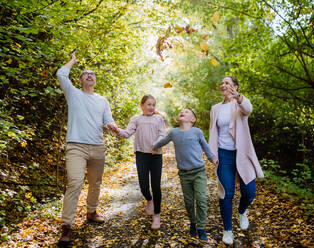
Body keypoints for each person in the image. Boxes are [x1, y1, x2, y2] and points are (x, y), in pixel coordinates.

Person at [56, 51, 119, 245]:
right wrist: (73, 61)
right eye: (85, 73)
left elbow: (108, 120)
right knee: (75, 182)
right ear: (81, 79)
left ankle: (91, 212)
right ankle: (67, 226)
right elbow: (60, 74)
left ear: (95, 81)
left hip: (98, 147)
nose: (90, 75)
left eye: (92, 74)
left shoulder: (102, 100)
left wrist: (112, 126)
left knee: (95, 183)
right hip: (76, 146)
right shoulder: (73, 93)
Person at [208, 76, 264, 245]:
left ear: (235, 87)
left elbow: (248, 109)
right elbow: (213, 132)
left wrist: (238, 96)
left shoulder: (239, 104)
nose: (223, 84)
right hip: (224, 155)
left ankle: (242, 211)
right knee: (227, 193)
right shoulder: (215, 108)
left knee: (249, 192)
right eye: (222, 82)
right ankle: (228, 230)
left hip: (242, 154)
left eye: (227, 83)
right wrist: (213, 153)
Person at [152, 109, 218, 242]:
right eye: (181, 112)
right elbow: (163, 141)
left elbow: (205, 146)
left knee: (200, 200)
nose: (183, 112)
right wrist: (154, 147)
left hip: (199, 171)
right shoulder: (174, 133)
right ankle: (193, 222)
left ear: (193, 119)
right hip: (184, 174)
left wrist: (212, 158)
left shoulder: (197, 132)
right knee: (188, 202)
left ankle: (201, 228)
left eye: (187, 112)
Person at [114, 94, 166, 230]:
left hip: (156, 155)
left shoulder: (158, 119)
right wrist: (117, 130)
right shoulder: (136, 119)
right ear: (141, 106)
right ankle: (149, 200)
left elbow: (162, 134)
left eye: (153, 105)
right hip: (141, 155)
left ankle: (157, 215)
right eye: (148, 104)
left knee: (156, 186)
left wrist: (156, 144)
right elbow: (126, 133)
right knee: (143, 185)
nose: (151, 107)